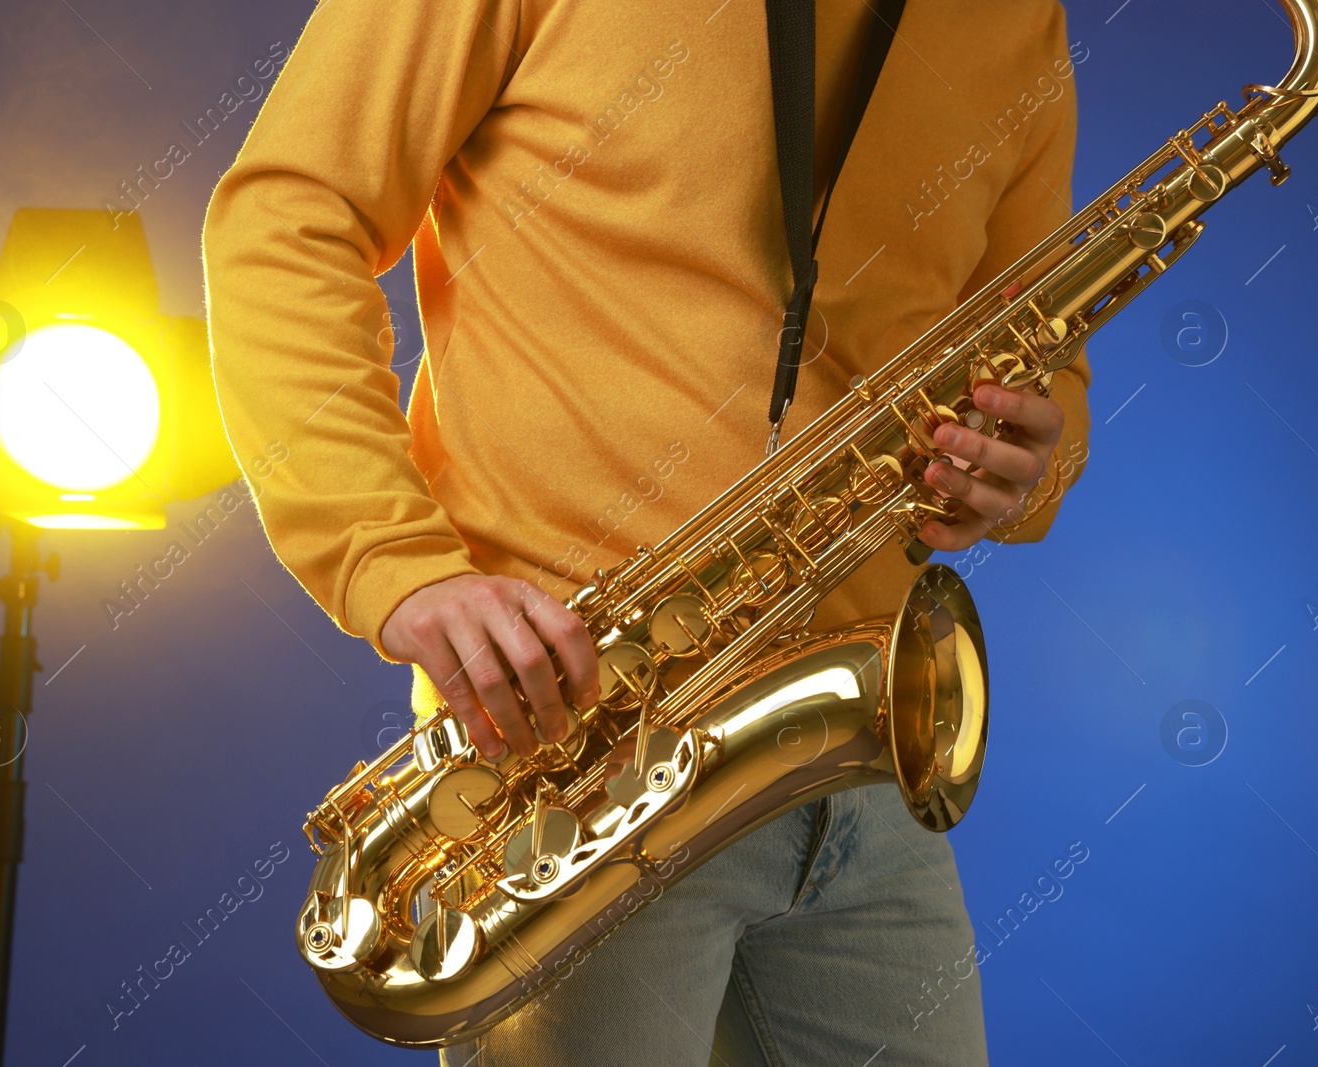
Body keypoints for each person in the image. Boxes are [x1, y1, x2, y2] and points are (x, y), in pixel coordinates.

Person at [203, 1, 1092, 1063]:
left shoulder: (1013, 18)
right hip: (579, 749)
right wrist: (388, 558)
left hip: (862, 762)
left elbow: (1040, 352)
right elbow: (287, 217)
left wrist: (1031, 462)